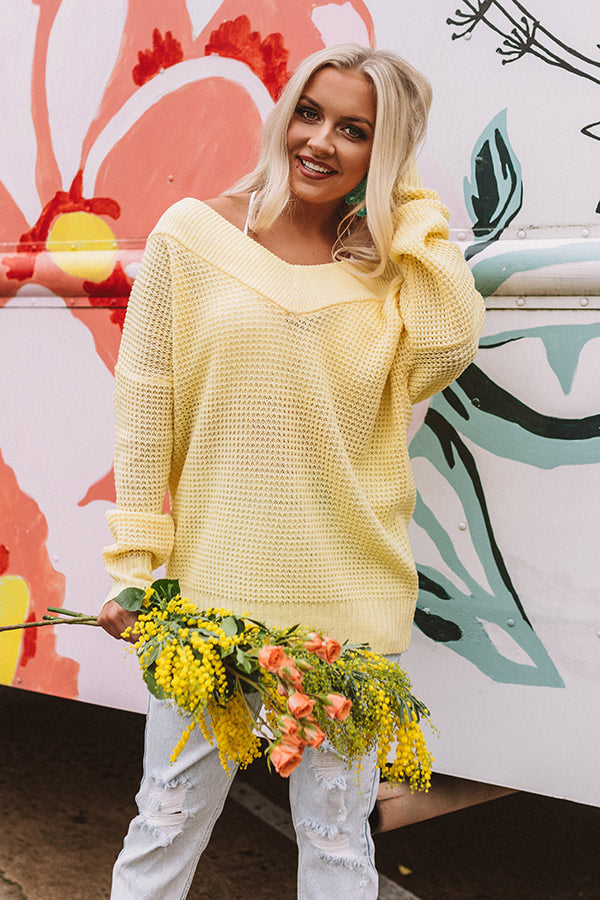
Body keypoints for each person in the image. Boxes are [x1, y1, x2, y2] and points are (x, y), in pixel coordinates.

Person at [98, 42, 485, 900]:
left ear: (385, 153)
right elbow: (146, 408)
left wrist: (405, 200)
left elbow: (450, 340)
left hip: (347, 606)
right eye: (309, 113)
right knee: (165, 823)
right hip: (209, 602)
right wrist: (134, 567)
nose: (319, 141)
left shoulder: (387, 274)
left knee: (339, 843)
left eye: (356, 130)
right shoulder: (194, 236)